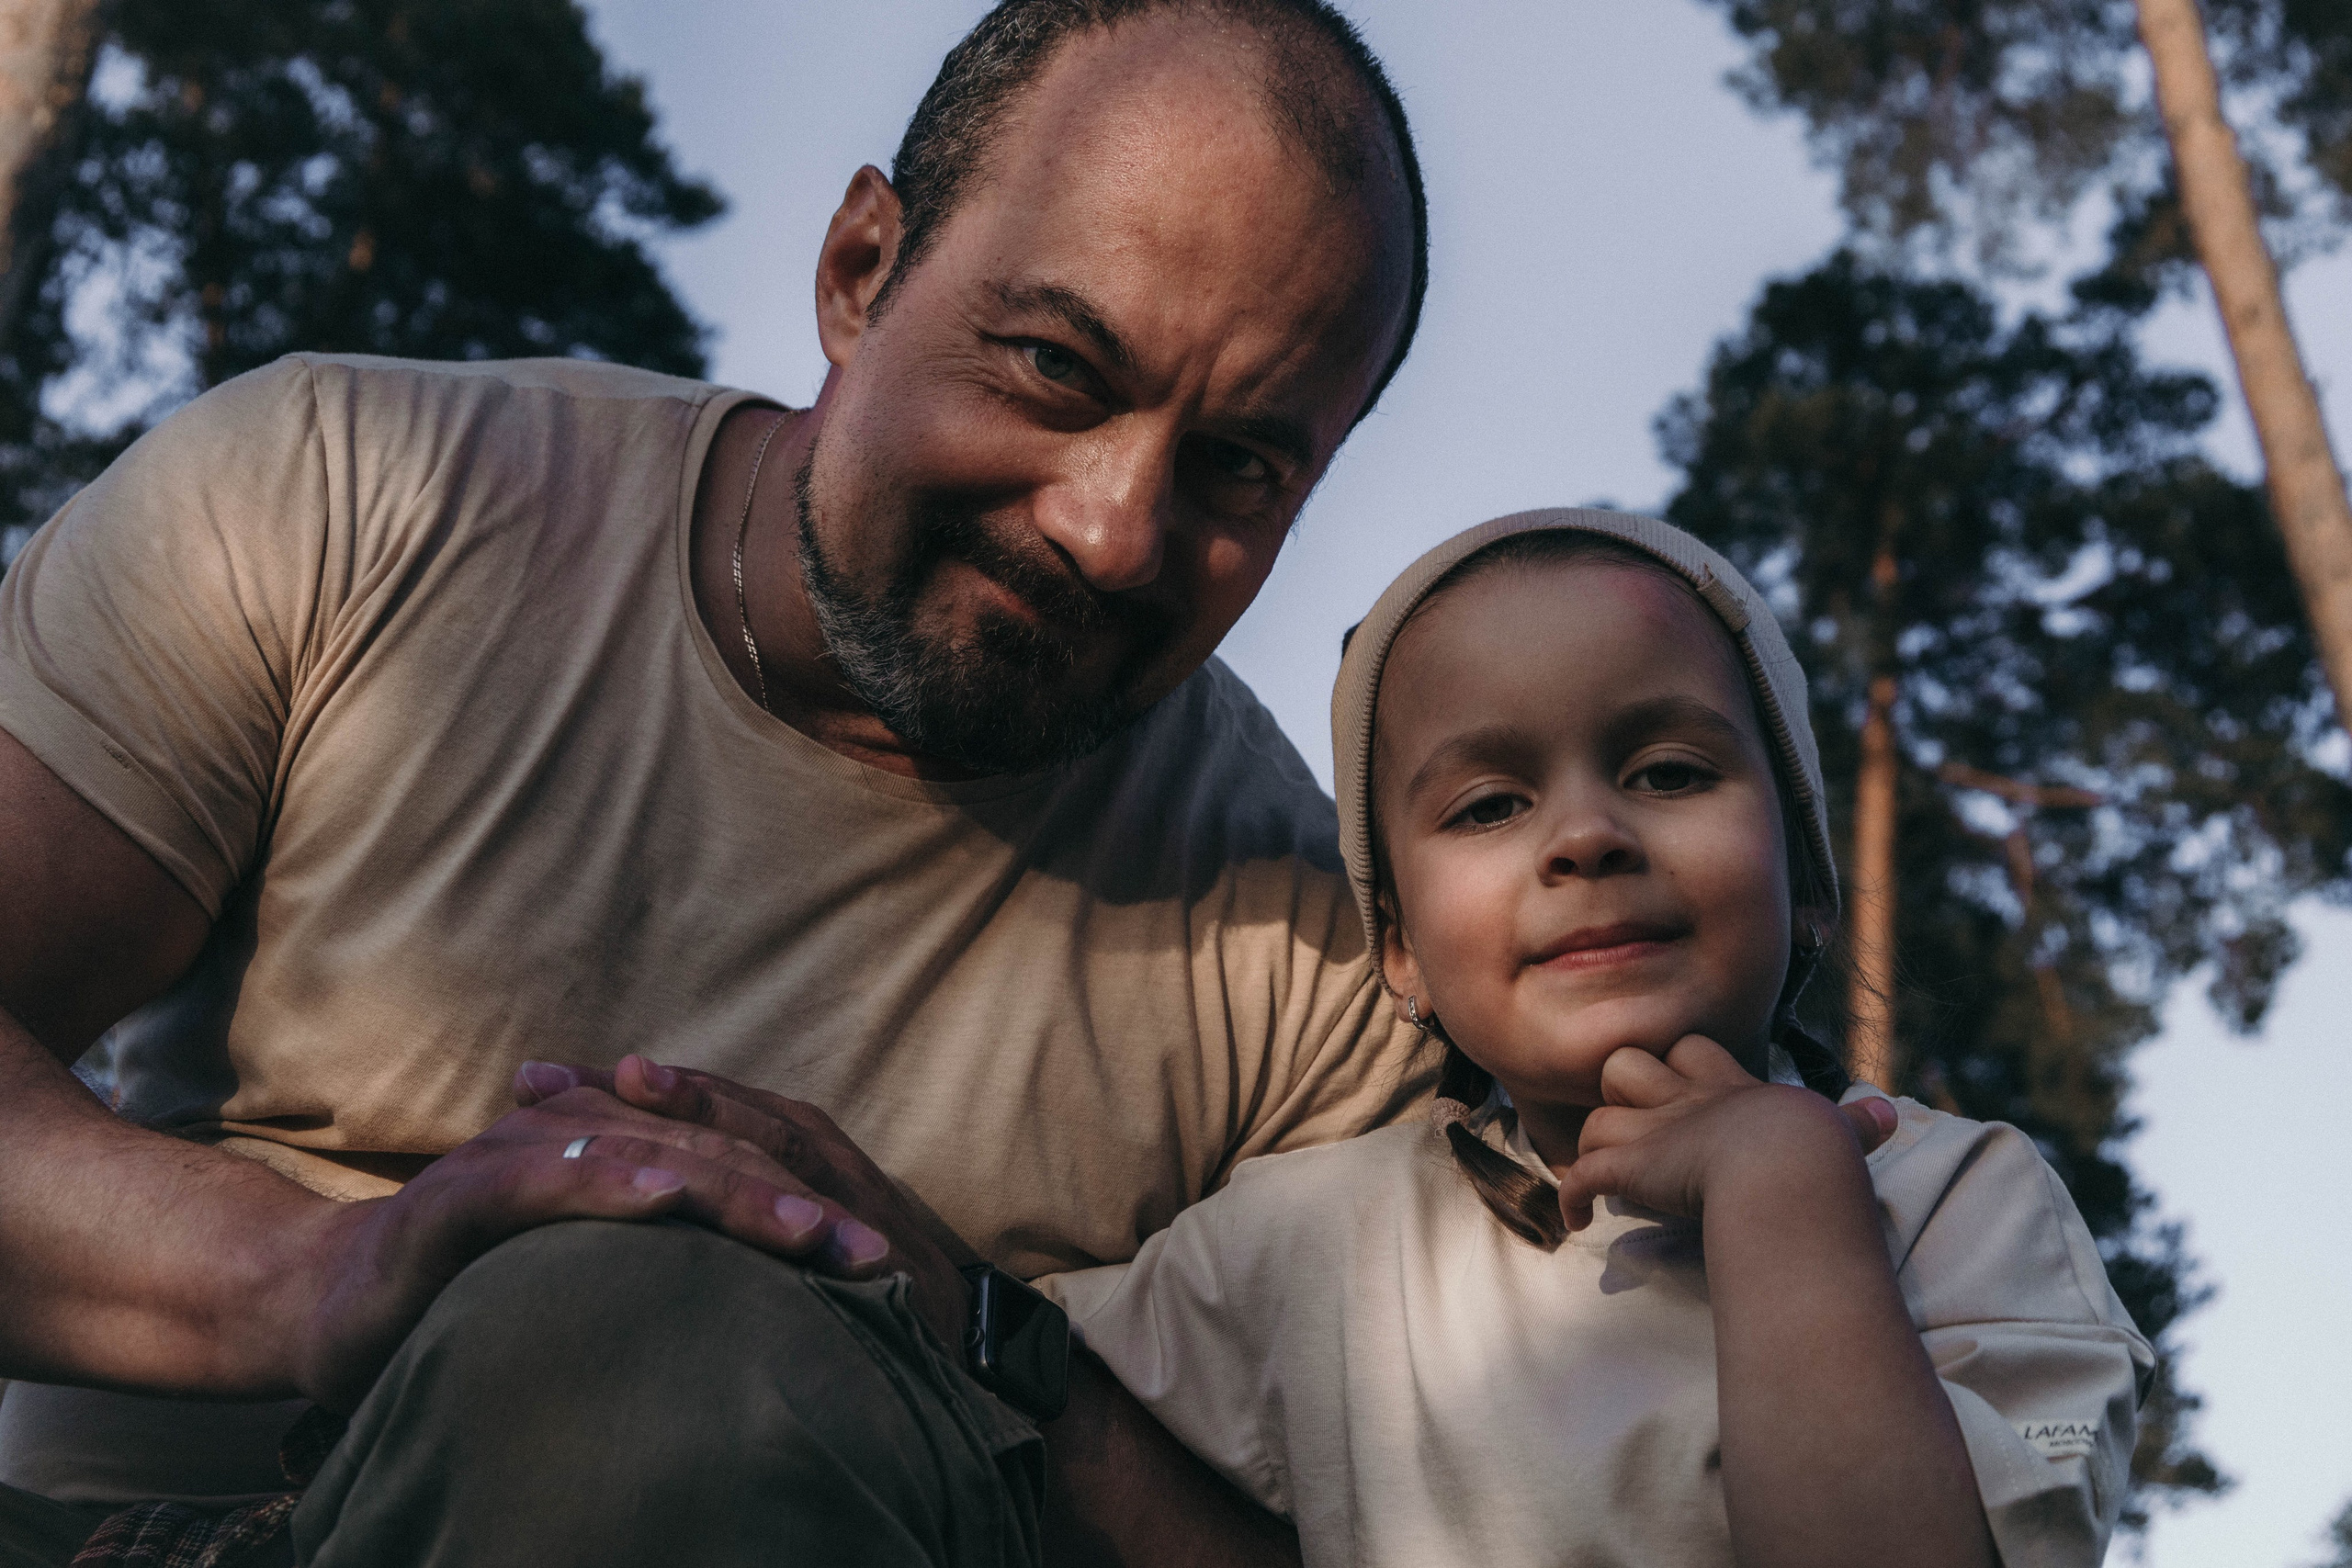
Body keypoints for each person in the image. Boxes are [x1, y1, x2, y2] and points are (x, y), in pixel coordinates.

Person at [0, 2, 1437, 1563]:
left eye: (1239, 466)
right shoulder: (346, 496)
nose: (1114, 527)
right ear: (861, 271)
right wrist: (333, 1273)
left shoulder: (1319, 966)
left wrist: (962, 1327)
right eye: (1054, 365)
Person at [1042, 509, 2155, 1568]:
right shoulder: (1301, 1244)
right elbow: (966, 1386)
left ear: (1806, 880)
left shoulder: (1955, 1199)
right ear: (1402, 957)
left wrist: (1783, 1184)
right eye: (1487, 806)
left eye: (1668, 773)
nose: (1585, 836)